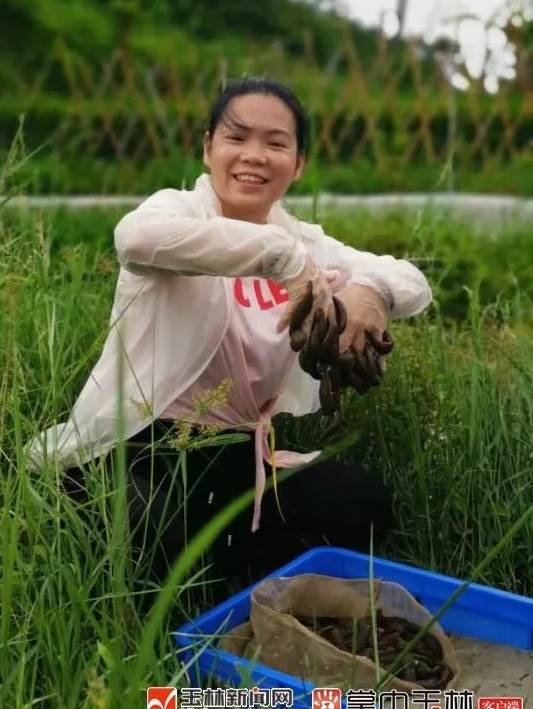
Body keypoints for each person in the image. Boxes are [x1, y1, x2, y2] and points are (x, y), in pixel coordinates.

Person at [25, 77, 432, 590]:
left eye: (276, 143)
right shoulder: (179, 213)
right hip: (139, 447)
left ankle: (235, 574)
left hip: (239, 457)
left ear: (299, 163)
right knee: (147, 524)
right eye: (236, 137)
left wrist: (371, 292)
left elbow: (413, 282)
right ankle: (198, 578)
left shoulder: (306, 239)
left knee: (360, 501)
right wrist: (282, 260)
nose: (254, 155)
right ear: (208, 147)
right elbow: (135, 238)